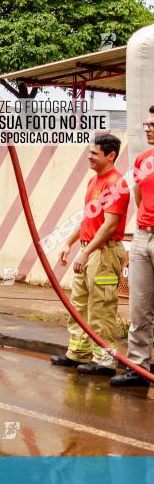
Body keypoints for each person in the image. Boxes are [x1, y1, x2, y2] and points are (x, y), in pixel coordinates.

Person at [53, 134, 129, 376]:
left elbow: (108, 226)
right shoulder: (93, 182)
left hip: (103, 253)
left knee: (101, 307)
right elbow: (89, 217)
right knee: (80, 304)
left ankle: (105, 361)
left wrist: (85, 252)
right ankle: (78, 353)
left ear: (111, 156)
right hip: (89, 249)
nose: (89, 156)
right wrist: (69, 242)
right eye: (90, 152)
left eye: (94, 153)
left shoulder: (116, 184)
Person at [113, 110, 154, 387]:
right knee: (140, 308)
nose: (148, 128)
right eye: (147, 123)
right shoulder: (142, 159)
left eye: (153, 124)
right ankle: (138, 367)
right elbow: (139, 195)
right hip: (143, 236)